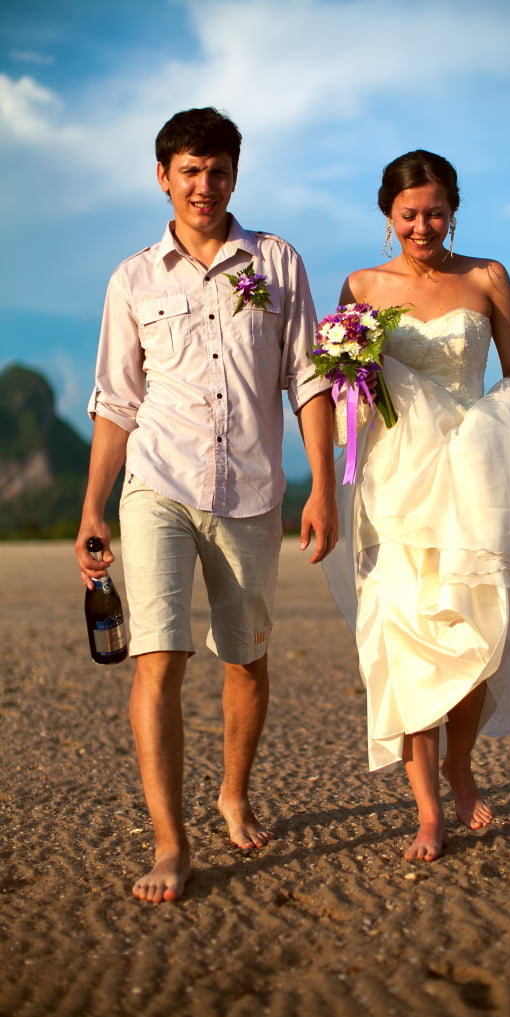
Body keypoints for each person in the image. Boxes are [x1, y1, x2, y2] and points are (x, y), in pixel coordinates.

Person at [75, 107, 337, 902]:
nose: (204, 185)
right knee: (158, 659)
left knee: (245, 657)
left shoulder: (279, 261)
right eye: (189, 171)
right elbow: (116, 401)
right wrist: (92, 508)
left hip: (252, 490)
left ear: (235, 175)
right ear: (163, 176)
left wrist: (321, 484)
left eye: (218, 170)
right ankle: (171, 843)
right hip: (156, 483)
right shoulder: (132, 278)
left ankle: (233, 792)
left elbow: (308, 377)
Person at [322, 150, 510, 862]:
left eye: (436, 212)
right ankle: (427, 811)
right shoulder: (361, 285)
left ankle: (461, 766)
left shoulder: (488, 277)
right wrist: (357, 384)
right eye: (410, 215)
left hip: (475, 476)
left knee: (476, 637)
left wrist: (494, 423)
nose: (424, 227)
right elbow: (345, 391)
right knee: (406, 641)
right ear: (388, 216)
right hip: (399, 481)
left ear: (453, 209)